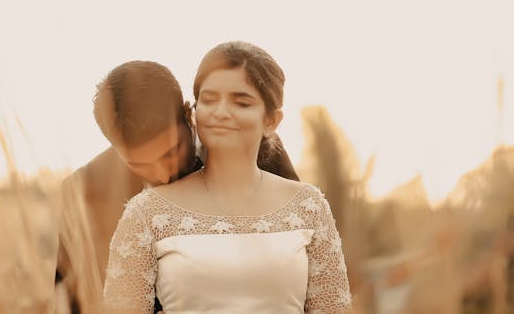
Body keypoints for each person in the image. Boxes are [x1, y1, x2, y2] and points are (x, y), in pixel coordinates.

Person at [103, 42, 351, 313]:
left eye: (241, 102)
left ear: (271, 121)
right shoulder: (146, 211)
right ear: (194, 111)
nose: (221, 112)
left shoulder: (308, 206)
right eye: (209, 100)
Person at [56, 60, 299, 313]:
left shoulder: (254, 146)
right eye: (139, 164)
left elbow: (297, 258)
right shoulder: (81, 194)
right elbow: (70, 301)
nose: (162, 174)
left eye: (171, 152)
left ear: (188, 114)